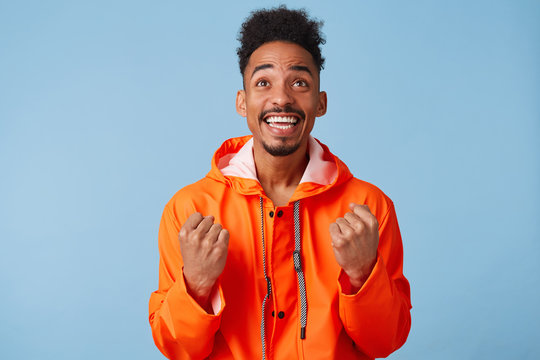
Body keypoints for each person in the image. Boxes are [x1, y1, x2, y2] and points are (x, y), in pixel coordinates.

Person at [149, 6, 411, 360]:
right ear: (242, 102)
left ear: (321, 103)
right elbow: (177, 349)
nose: (282, 98)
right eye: (263, 82)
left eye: (299, 82)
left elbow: (384, 342)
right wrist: (195, 285)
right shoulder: (189, 210)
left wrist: (363, 274)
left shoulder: (369, 207)